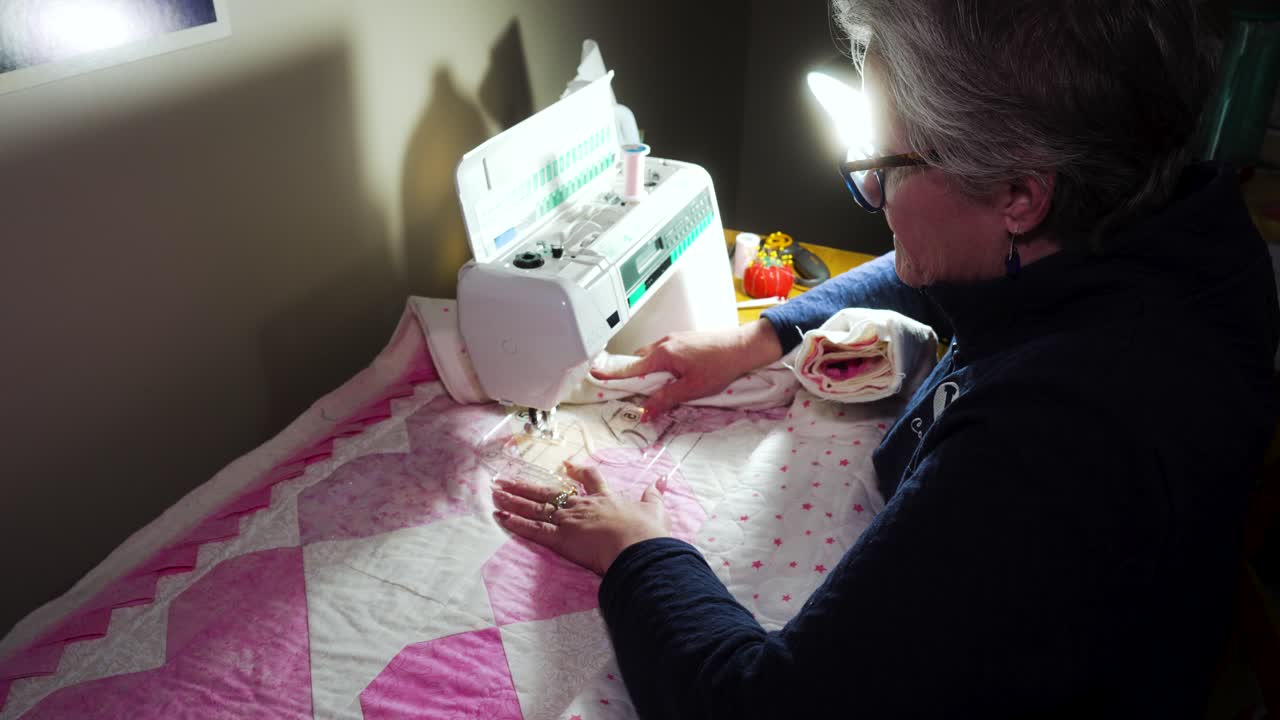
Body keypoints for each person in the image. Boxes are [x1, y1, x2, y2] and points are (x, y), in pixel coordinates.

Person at [492, 0, 1280, 716]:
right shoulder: (1176, 226)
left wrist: (639, 550)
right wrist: (763, 336)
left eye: (887, 166)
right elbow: (951, 272)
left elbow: (761, 707)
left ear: (1019, 196)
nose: (871, 189)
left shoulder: (1059, 436)